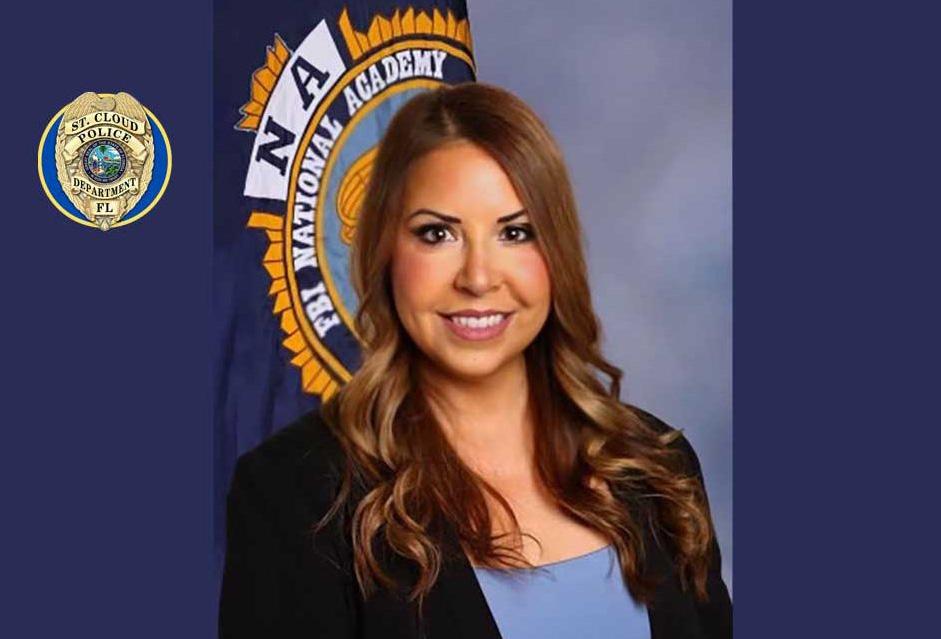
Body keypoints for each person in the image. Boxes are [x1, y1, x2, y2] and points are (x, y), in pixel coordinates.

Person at [218, 82, 732, 638]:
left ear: (557, 253)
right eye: (437, 233)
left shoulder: (658, 467)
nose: (479, 277)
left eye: (515, 232)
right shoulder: (296, 493)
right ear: (384, 253)